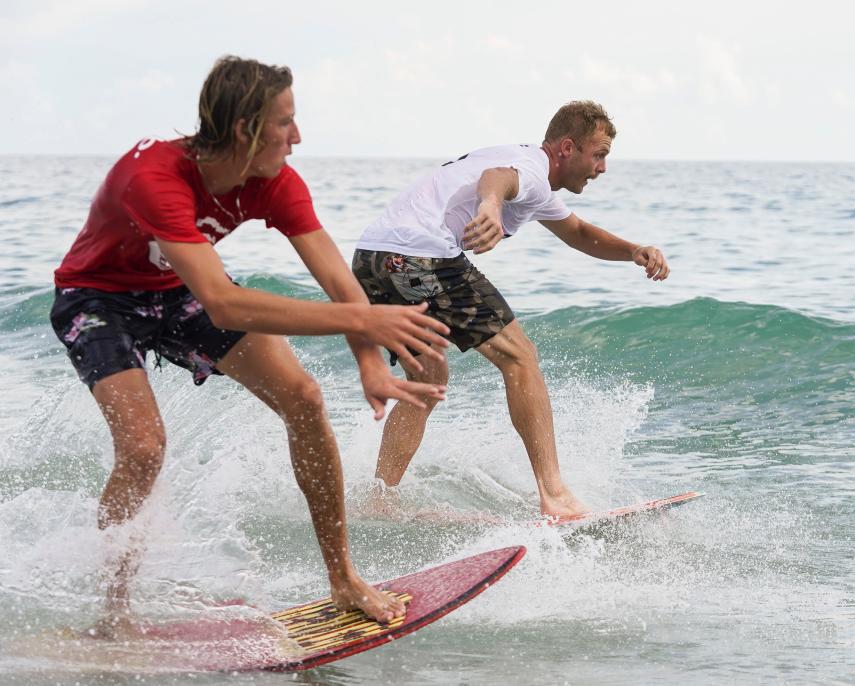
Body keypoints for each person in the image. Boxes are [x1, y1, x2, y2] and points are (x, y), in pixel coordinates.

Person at [50, 56, 450, 633]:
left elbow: (339, 282)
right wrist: (365, 326)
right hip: (98, 299)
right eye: (286, 122)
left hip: (175, 290)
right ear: (245, 130)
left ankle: (343, 579)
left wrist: (369, 362)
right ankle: (114, 612)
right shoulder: (153, 176)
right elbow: (223, 301)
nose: (298, 136)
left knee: (304, 398)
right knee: (142, 448)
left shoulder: (274, 182)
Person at [352, 101, 670, 518]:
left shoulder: (528, 167)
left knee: (427, 375)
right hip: (422, 254)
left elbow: (577, 232)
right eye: (600, 154)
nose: (602, 168)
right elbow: (496, 180)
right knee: (520, 357)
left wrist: (634, 251)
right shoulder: (531, 173)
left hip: (373, 256)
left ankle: (380, 498)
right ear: (567, 148)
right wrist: (490, 205)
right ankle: (555, 496)